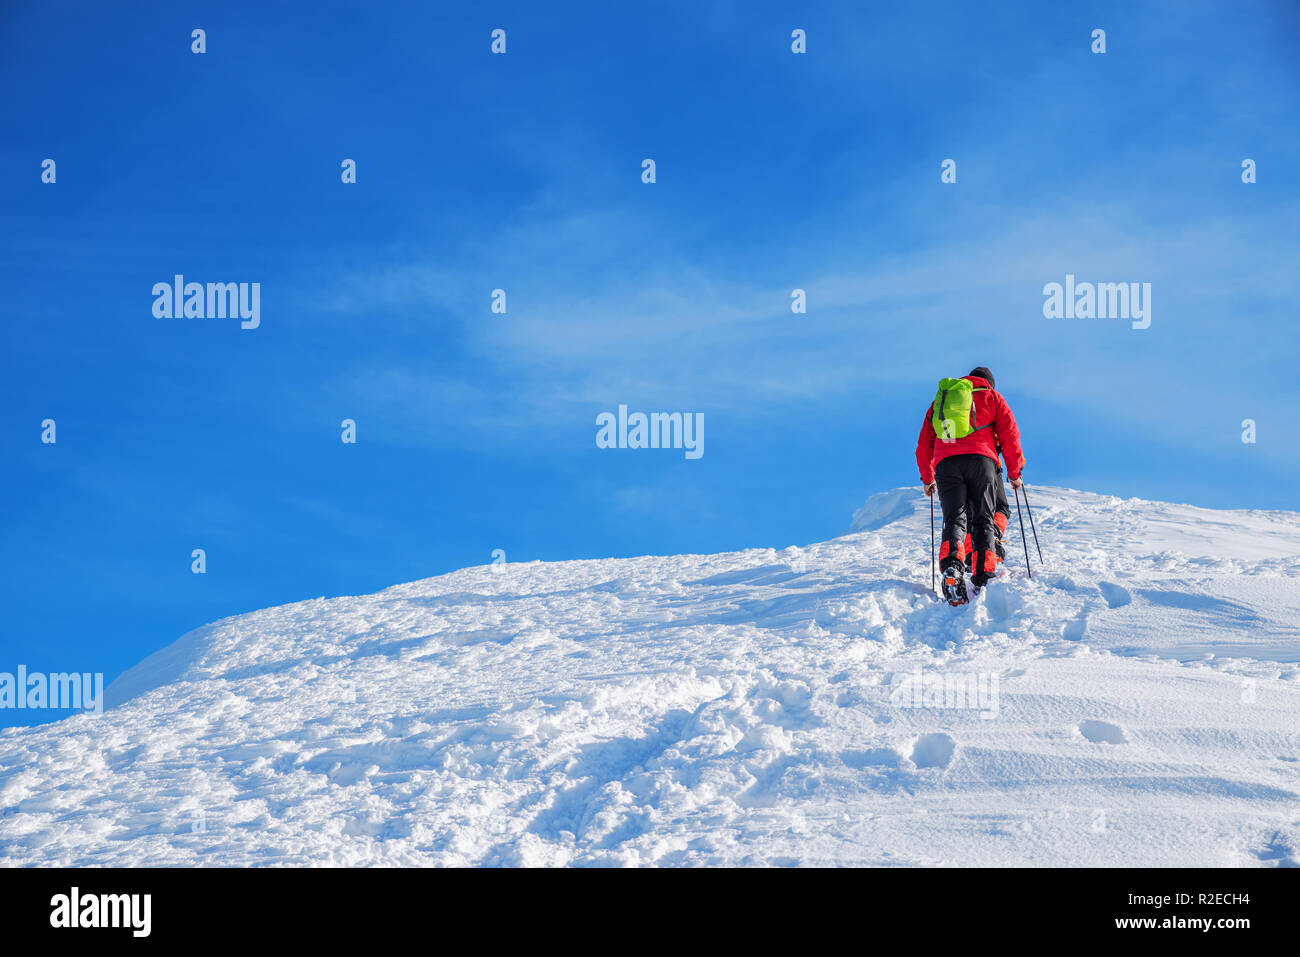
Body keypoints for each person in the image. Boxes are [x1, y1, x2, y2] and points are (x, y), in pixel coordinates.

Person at [915, 367, 1025, 605]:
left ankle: (952, 568)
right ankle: (983, 573)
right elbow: (1009, 435)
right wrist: (1015, 473)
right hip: (981, 461)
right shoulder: (991, 396)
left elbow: (925, 441)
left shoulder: (943, 399)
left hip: (946, 465)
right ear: (989, 383)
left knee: (954, 519)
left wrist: (928, 478)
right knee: (983, 518)